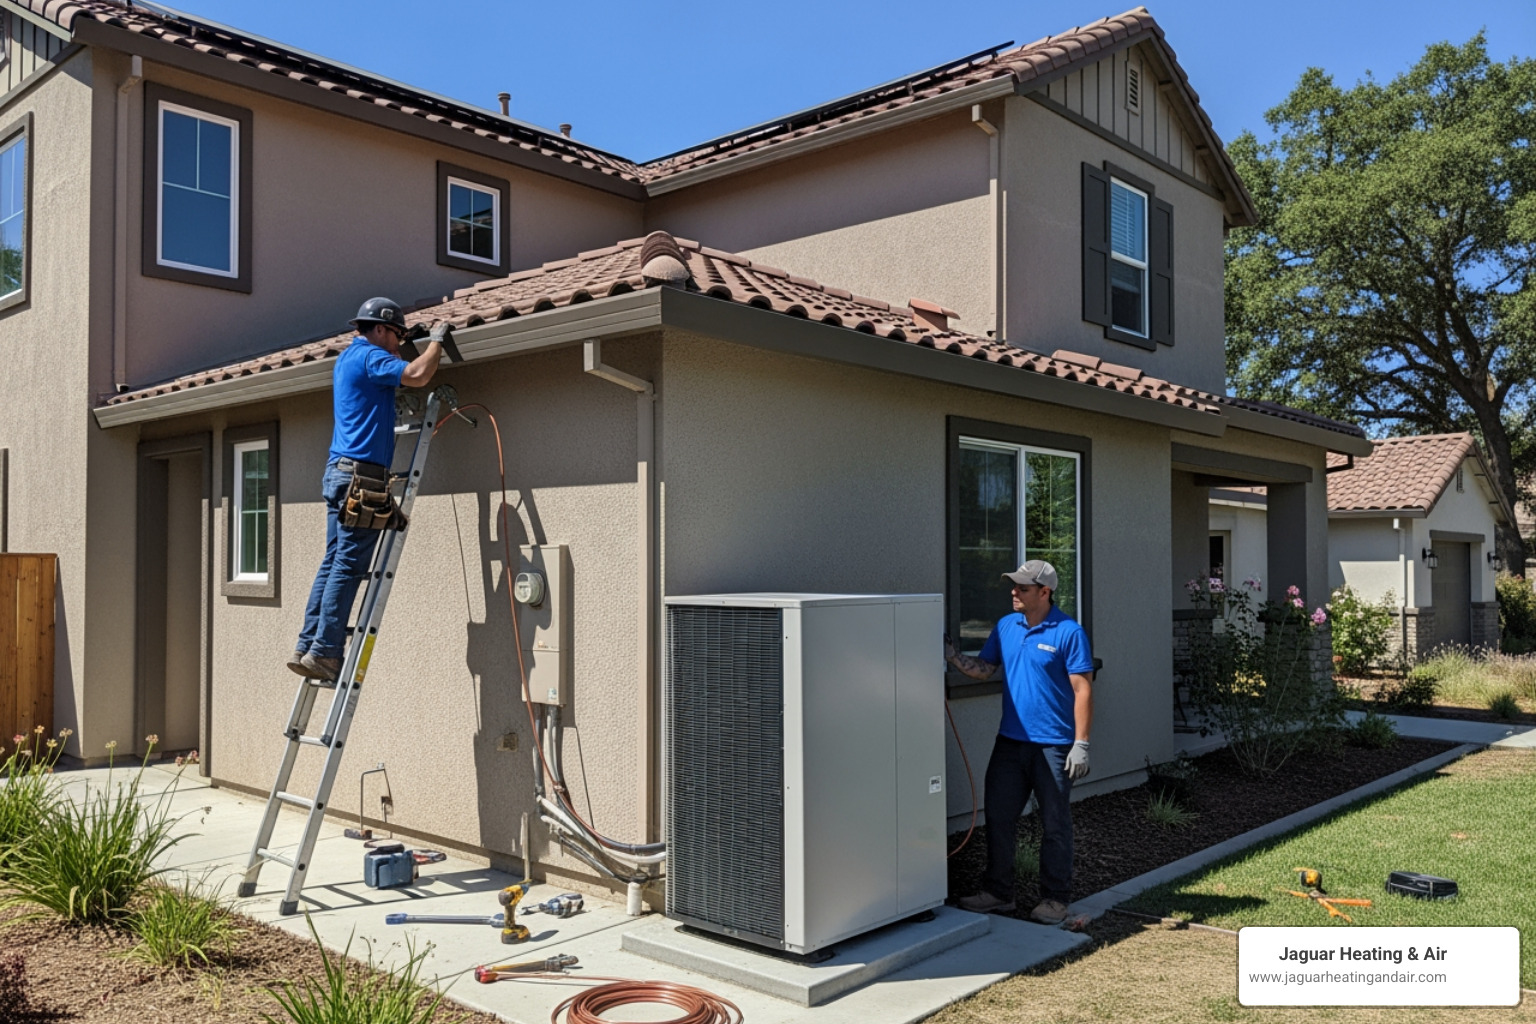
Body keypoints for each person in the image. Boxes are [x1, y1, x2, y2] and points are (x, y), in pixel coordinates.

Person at [288, 297, 445, 682]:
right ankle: (325, 651)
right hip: (361, 476)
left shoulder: (348, 358)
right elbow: (419, 375)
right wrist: (437, 340)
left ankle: (309, 645)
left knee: (332, 562)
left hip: (339, 472)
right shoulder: (372, 357)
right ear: (378, 329)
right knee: (348, 565)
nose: (399, 343)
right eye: (397, 334)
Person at [945, 560, 1094, 925]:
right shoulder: (1006, 626)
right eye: (1013, 586)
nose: (1014, 592)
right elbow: (985, 668)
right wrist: (951, 657)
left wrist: (1081, 744)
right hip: (1010, 742)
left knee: (1054, 823)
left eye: (1023, 588)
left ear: (1045, 592)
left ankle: (1055, 898)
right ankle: (999, 894)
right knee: (998, 817)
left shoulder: (1068, 632)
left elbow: (1082, 688)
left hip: (1054, 746)